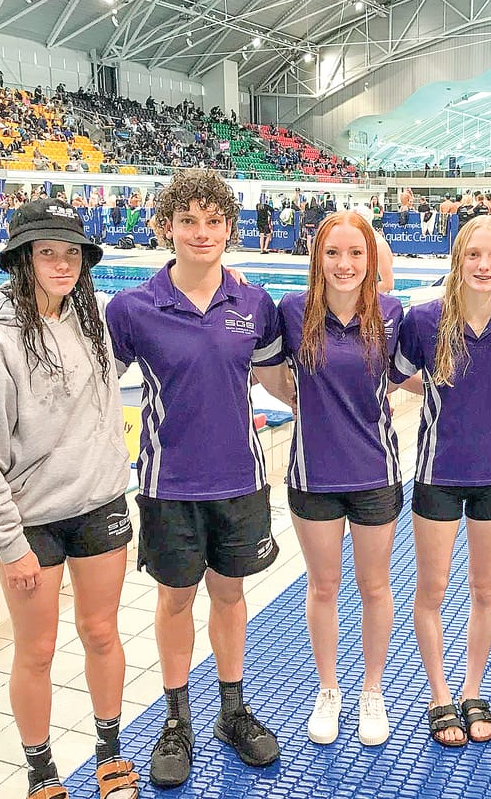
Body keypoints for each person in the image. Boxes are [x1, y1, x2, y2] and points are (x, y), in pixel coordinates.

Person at [0, 198, 140, 799]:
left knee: (103, 633)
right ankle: (42, 772)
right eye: (47, 253)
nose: (62, 264)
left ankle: (109, 755)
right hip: (31, 522)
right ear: (21, 260)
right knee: (36, 651)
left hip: (100, 506)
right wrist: (9, 544)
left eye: (72, 254)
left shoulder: (92, 323)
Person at [105, 169, 282, 788]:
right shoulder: (133, 309)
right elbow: (92, 387)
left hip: (239, 479)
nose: (201, 232)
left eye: (213, 220)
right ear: (166, 228)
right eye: (188, 220)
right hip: (168, 484)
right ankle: (177, 719)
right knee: (175, 599)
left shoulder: (255, 305)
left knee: (230, 596)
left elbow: (281, 382)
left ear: (230, 228)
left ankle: (231, 712)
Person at [390, 215, 491, 747]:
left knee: (485, 588)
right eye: (473, 254)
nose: (484, 265)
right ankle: (439, 694)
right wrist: (438, 387)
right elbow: (394, 374)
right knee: (431, 589)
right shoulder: (425, 319)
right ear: (458, 259)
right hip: (439, 472)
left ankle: (473, 689)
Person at [269, 211, 404, 747]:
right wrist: (303, 403)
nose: (344, 264)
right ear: (317, 259)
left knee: (375, 587)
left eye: (355, 253)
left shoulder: (390, 313)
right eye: (332, 253)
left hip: (375, 472)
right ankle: (329, 689)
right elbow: (268, 372)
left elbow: (406, 376)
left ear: (371, 259)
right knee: (323, 587)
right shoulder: (293, 309)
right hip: (313, 474)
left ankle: (372, 690)